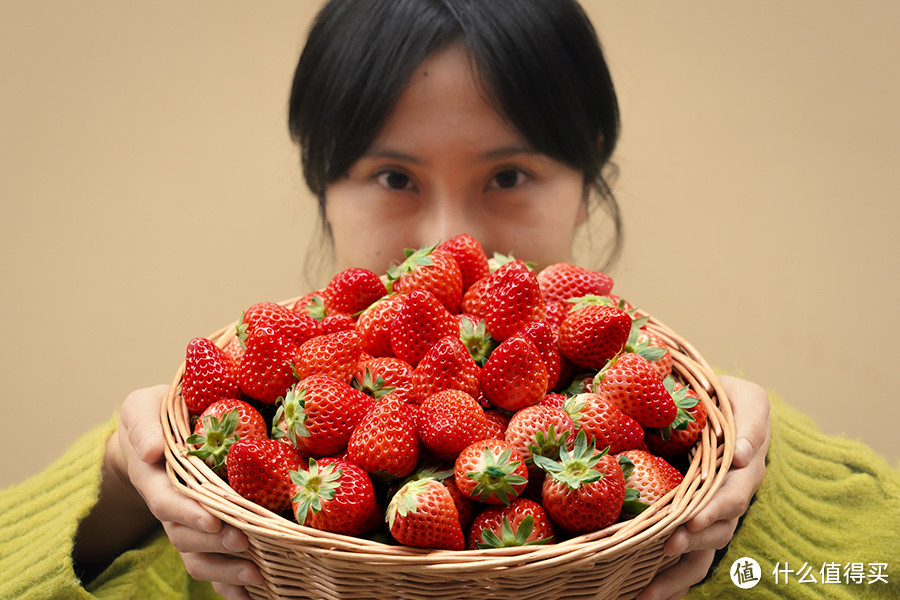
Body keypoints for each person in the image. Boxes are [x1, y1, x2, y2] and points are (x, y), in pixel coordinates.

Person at [1, 1, 895, 599]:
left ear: (588, 179)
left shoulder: (684, 436)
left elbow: (871, 566)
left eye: (509, 174)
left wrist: (759, 505)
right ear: (323, 185)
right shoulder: (200, 477)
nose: (450, 240)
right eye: (392, 175)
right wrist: (115, 498)